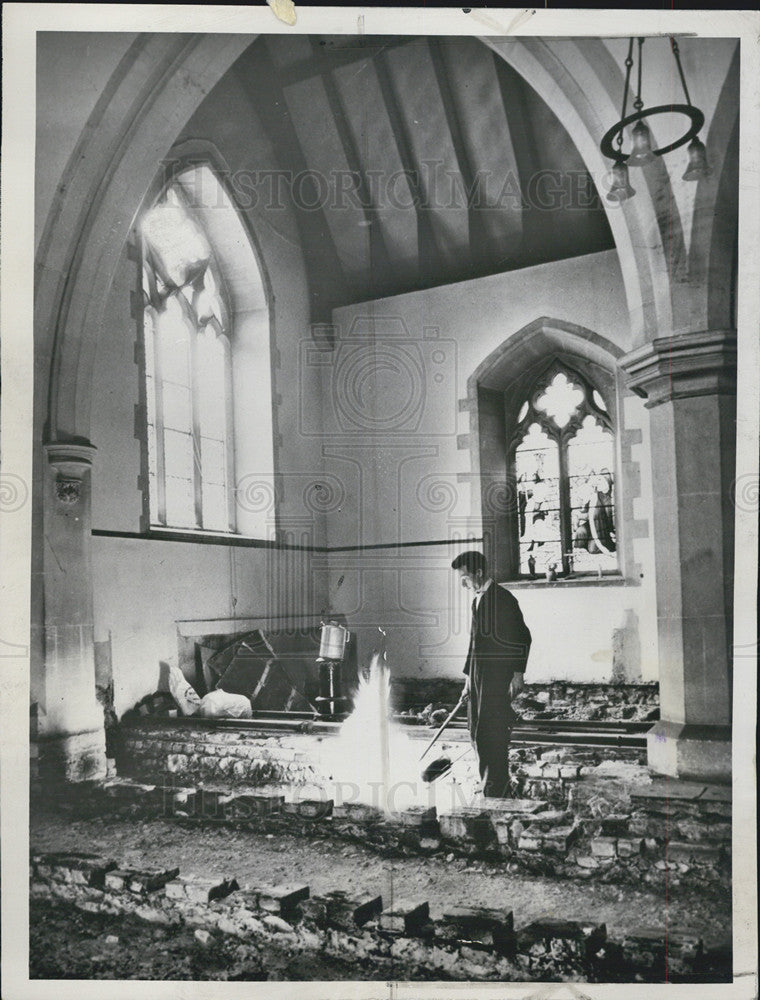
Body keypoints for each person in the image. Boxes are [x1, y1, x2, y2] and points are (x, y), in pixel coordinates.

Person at [451, 551, 532, 798]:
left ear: (478, 573)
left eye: (464, 577)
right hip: (478, 676)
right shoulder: (478, 600)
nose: (462, 583)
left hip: (497, 677)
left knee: (491, 732)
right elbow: (474, 644)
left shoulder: (503, 599)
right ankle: (490, 784)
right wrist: (467, 681)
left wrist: (518, 674)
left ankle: (496, 789)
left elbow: (522, 637)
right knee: (476, 729)